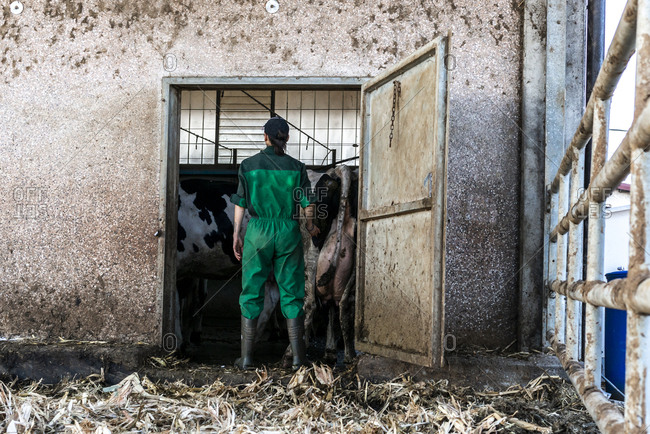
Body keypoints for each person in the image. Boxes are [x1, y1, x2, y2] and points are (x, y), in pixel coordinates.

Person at [230, 116, 320, 370]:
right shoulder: (297, 167)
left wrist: (237, 233)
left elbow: (241, 202)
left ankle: (247, 358)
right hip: (288, 230)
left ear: (265, 137)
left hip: (258, 230)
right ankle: (299, 359)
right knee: (292, 291)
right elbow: (308, 204)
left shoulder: (248, 166)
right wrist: (311, 226)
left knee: (251, 290)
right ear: (287, 138)